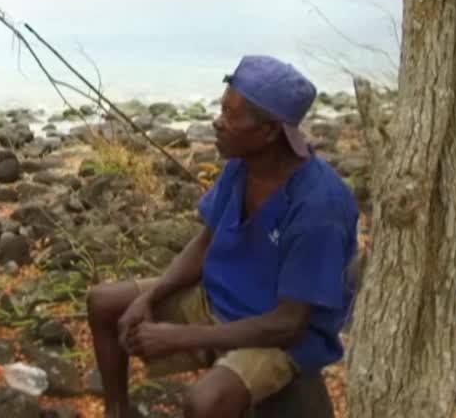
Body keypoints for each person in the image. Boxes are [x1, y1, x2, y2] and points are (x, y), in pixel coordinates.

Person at [86, 55, 359, 418]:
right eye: (221, 109)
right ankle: (117, 412)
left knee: (205, 402)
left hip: (277, 336)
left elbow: (288, 325)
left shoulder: (319, 207)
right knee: (105, 302)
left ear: (270, 131)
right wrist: (151, 297)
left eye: (231, 115)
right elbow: (205, 242)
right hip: (219, 298)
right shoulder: (242, 167)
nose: (217, 122)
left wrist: (178, 337)